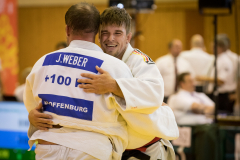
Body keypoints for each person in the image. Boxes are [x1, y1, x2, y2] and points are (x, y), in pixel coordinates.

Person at [28, 6, 179, 160]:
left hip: (149, 148)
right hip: (117, 148)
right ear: (98, 36)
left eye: (117, 33)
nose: (110, 38)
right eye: (105, 33)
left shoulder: (138, 60)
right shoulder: (98, 62)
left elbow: (154, 93)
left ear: (128, 37)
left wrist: (114, 85)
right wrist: (33, 116)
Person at [24, 3, 136, 160]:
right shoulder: (116, 67)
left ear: (67, 29)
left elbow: (33, 109)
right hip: (92, 149)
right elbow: (133, 113)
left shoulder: (43, 62)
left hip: (48, 147)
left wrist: (32, 116)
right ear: (97, 31)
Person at [197, 35, 234, 114]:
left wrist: (204, 79)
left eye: (213, 46)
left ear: (220, 47)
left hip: (222, 95)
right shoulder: (215, 58)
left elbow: (221, 80)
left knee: (221, 116)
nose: (211, 48)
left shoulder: (225, 61)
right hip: (212, 94)